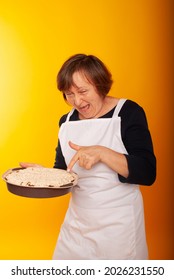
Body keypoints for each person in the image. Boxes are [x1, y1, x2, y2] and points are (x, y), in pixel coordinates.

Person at [22, 54, 156, 259]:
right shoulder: (65, 122)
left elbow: (147, 172)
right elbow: (63, 172)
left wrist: (102, 152)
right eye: (69, 94)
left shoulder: (128, 112)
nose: (77, 101)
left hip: (118, 229)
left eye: (83, 91)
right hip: (77, 228)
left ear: (101, 85)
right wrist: (45, 176)